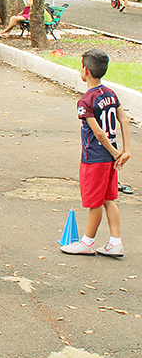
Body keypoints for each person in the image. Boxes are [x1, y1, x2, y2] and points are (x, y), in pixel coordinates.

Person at [60, 50, 131, 257]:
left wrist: (116, 152)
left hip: (95, 158)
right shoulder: (110, 94)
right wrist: (125, 151)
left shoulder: (85, 101)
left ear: (86, 71)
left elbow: (99, 133)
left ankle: (87, 242)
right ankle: (115, 242)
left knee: (95, 202)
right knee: (109, 199)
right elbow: (124, 120)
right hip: (110, 159)